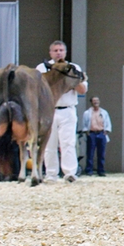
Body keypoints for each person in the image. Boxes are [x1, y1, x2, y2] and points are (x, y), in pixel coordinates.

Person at [37, 41, 88, 182]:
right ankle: (51, 174)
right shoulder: (41, 68)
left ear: (65, 52)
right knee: (49, 144)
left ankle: (70, 173)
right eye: (55, 50)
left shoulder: (73, 68)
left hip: (68, 109)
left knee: (68, 142)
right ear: (50, 53)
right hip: (48, 110)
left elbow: (83, 90)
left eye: (61, 50)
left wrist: (69, 79)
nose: (58, 52)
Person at [79, 97, 112, 176]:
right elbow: (84, 123)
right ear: (91, 102)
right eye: (94, 101)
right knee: (90, 153)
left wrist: (106, 131)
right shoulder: (87, 113)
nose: (96, 102)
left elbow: (108, 122)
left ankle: (101, 170)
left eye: (97, 101)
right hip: (92, 134)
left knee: (101, 153)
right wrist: (87, 132)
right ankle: (89, 170)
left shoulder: (104, 112)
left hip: (101, 133)